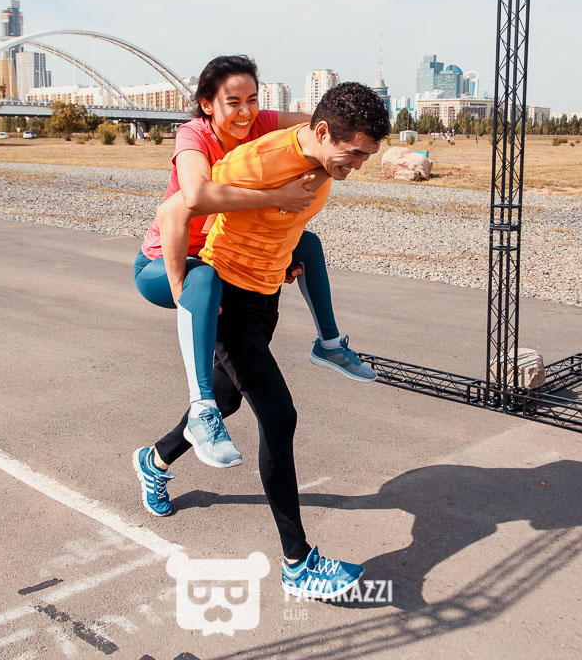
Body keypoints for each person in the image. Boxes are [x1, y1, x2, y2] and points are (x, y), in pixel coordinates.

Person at [133, 82, 391, 599]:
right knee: (278, 415)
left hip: (263, 296)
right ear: (323, 133)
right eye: (356, 152)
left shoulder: (323, 160)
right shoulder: (258, 159)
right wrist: (185, 292)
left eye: (367, 154)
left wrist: (283, 255)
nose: (360, 164)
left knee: (230, 397)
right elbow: (177, 211)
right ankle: (298, 563)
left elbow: (283, 225)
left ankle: (154, 460)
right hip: (225, 295)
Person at [132, 55, 375, 469]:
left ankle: (329, 344)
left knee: (230, 392)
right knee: (204, 285)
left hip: (226, 261)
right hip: (172, 262)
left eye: (252, 100)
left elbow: (324, 125)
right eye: (233, 102)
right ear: (207, 104)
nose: (245, 112)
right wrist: (180, 288)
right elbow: (194, 197)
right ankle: (199, 406)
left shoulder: (260, 124)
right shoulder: (194, 136)